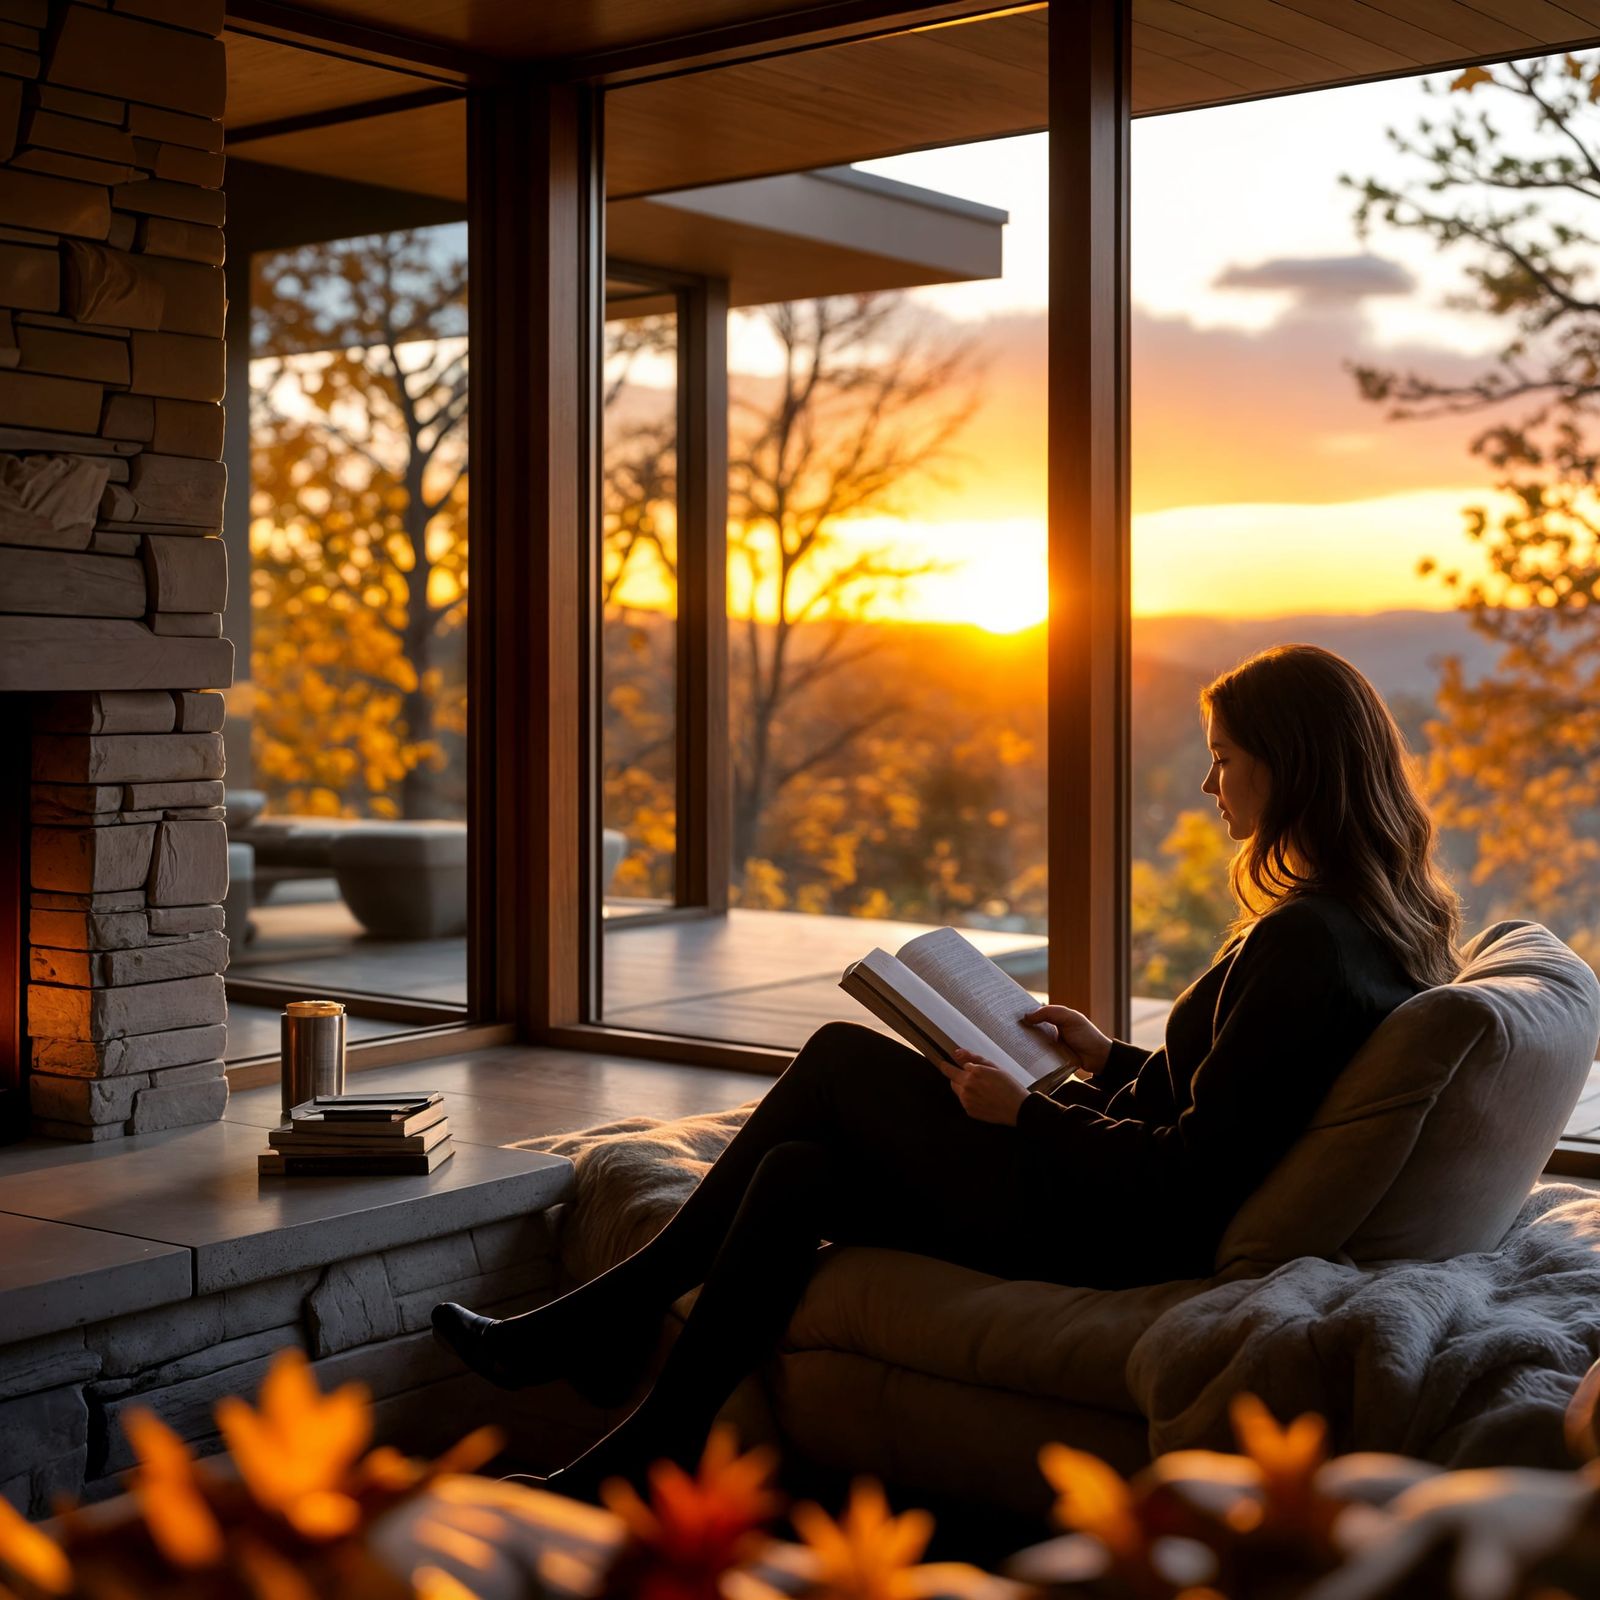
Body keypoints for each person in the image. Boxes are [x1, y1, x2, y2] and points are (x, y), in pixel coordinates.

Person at [433, 643, 1462, 1500]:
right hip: (1121, 1199)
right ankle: (653, 1444)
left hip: (1120, 1232)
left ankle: (605, 1323)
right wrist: (1108, 1059)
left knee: (838, 1060)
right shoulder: (1368, 927)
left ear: (1292, 767)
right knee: (798, 1173)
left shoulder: (1303, 944)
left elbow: (1188, 1176)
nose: (1208, 786)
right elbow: (1237, 1095)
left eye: (1224, 759)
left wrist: (1025, 1114)